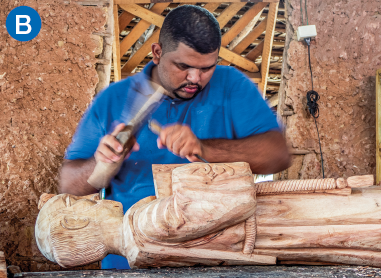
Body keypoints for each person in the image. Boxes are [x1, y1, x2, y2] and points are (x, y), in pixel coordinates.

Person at [58, 5, 290, 269]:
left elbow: (278, 155)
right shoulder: (114, 99)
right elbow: (68, 185)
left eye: (206, 68)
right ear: (157, 53)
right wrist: (100, 164)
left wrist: (206, 148)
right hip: (131, 263)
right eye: (183, 66)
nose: (195, 78)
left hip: (218, 260)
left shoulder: (232, 86)